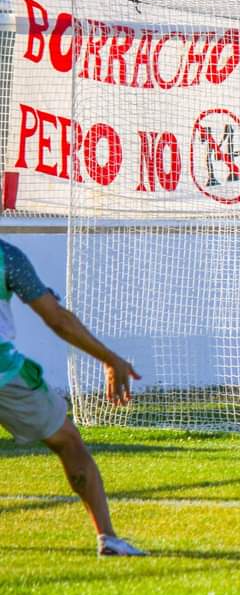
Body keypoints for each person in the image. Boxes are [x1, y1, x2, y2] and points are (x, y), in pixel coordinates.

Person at [0, 239, 146, 557]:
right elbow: (58, 320)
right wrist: (110, 358)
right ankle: (108, 538)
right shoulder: (7, 256)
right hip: (5, 377)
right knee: (68, 441)